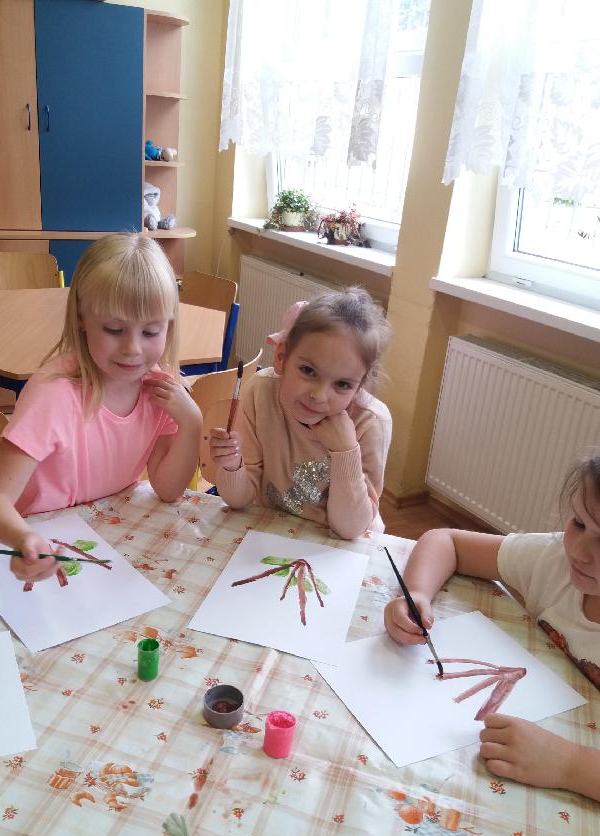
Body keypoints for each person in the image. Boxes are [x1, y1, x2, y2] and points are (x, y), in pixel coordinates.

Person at [0, 233, 201, 584]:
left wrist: (192, 423)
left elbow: (168, 490)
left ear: (169, 327)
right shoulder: (54, 395)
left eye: (151, 332)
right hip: (42, 540)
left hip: (111, 537)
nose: (132, 348)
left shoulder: (159, 389)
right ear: (81, 316)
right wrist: (23, 539)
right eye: (114, 329)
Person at [384, 453, 600, 802]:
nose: (579, 550)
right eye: (579, 523)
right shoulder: (555, 562)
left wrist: (570, 765)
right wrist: (416, 594)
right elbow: (446, 541)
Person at [209, 288, 392, 540]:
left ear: (359, 387)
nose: (319, 395)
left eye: (342, 384)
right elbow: (239, 500)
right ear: (281, 357)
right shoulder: (261, 392)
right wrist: (232, 466)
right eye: (308, 370)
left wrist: (345, 451)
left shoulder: (370, 422)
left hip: (341, 545)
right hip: (269, 534)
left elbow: (350, 530)